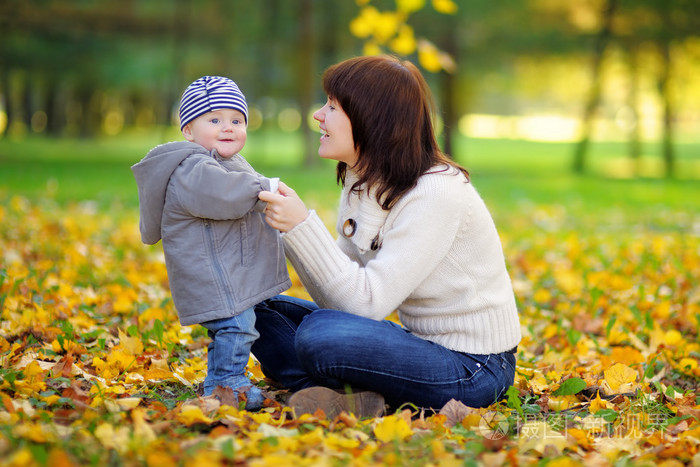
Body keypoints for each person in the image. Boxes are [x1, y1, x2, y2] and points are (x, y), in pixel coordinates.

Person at [254, 55, 521, 419]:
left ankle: (329, 389)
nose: (318, 115)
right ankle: (341, 396)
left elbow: (364, 306)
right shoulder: (363, 182)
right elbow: (339, 293)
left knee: (321, 335)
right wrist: (282, 229)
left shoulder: (436, 192)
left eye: (332, 107)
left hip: (474, 367)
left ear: (370, 119)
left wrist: (300, 227)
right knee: (260, 309)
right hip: (418, 345)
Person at [131, 76, 291, 410]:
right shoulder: (192, 166)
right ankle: (228, 385)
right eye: (214, 120)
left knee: (232, 327)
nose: (228, 127)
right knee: (238, 326)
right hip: (209, 274)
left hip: (223, 271)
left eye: (237, 120)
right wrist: (265, 188)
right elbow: (222, 193)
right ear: (188, 130)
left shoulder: (222, 162)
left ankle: (216, 384)